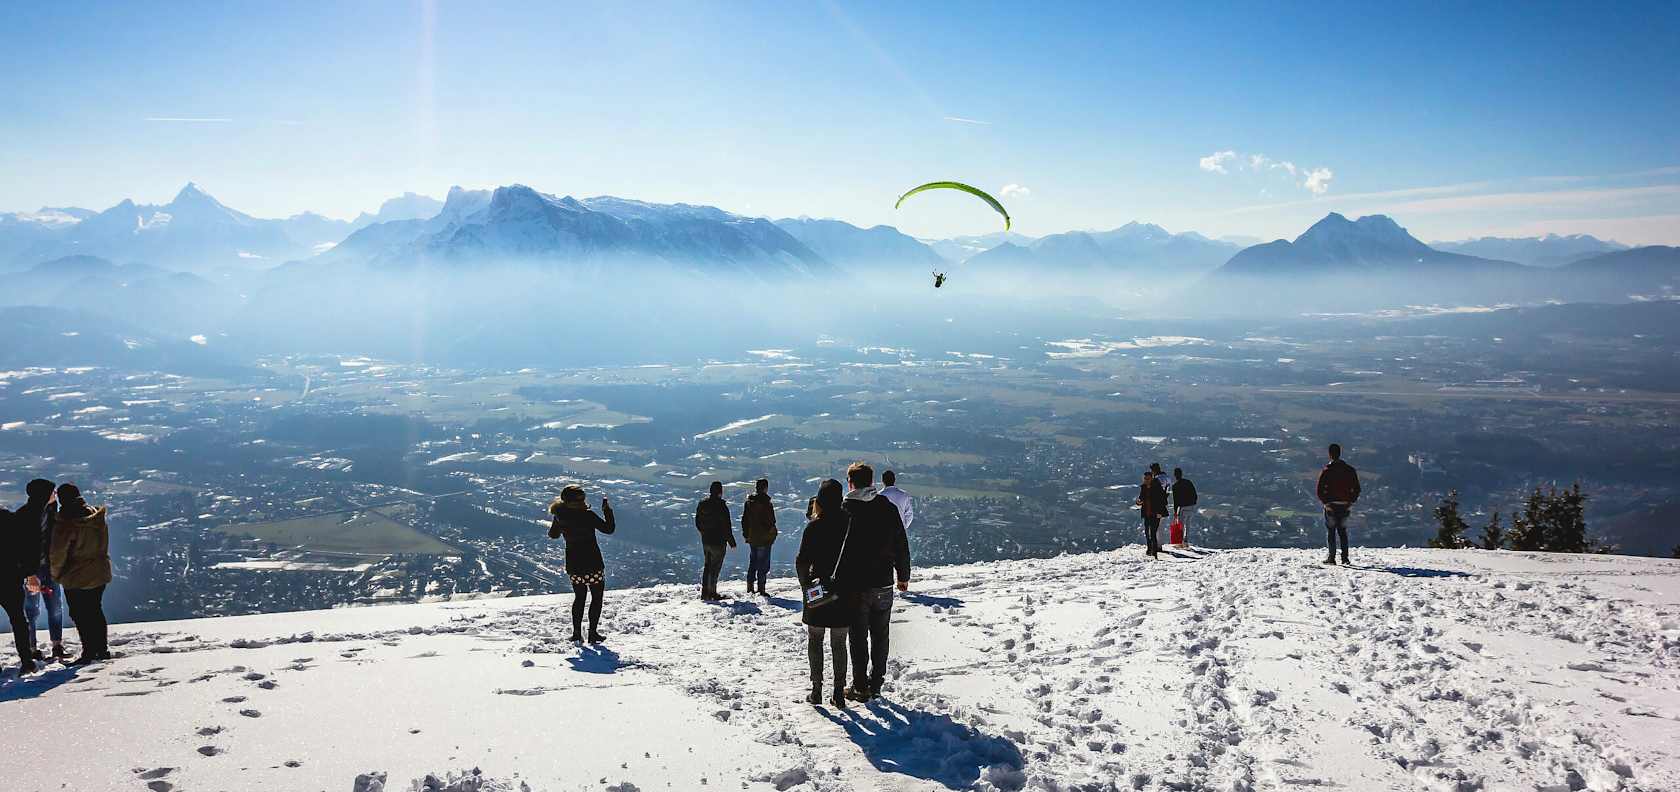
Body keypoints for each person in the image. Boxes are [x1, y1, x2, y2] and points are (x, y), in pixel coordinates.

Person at [841, 462, 910, 702]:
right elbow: (901, 543)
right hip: (883, 582)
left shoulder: (846, 509)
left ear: (850, 483)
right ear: (872, 482)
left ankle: (859, 684)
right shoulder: (886, 507)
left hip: (855, 585)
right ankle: (877, 682)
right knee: (881, 635)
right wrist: (903, 575)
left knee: (857, 636)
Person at [796, 479, 858, 708]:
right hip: (845, 592)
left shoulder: (814, 526)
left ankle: (816, 689)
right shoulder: (851, 524)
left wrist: (806, 587)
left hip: (818, 592)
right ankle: (839, 692)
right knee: (839, 643)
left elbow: (802, 561)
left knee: (815, 639)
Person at [49, 483, 112, 665]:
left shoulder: (66, 522)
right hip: (100, 570)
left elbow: (57, 553)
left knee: (79, 613)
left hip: (76, 574)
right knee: (95, 610)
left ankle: (89, 651)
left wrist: (57, 574)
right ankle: (101, 649)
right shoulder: (95, 516)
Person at [548, 484, 615, 643]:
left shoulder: (559, 515)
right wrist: (607, 510)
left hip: (574, 563)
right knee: (596, 597)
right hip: (592, 562)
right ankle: (593, 633)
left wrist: (560, 523)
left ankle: (577, 634)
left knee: (579, 598)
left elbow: (553, 535)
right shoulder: (588, 515)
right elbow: (609, 529)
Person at [1, 504, 38, 675]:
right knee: (18, 619)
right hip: (10, 578)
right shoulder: (10, 518)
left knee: (18, 619)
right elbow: (23, 549)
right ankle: (27, 659)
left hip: (10, 577)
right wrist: (29, 573)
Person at [1316, 443, 1362, 566]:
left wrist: (1326, 503)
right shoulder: (1349, 470)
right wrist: (1351, 501)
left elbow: (1319, 489)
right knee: (1343, 531)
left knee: (1331, 532)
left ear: (1330, 454)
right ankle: (1345, 558)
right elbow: (1357, 488)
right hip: (1345, 505)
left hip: (1331, 505)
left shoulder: (1327, 470)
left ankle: (1331, 557)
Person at [694, 481, 735, 601]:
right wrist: (731, 541)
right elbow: (727, 526)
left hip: (706, 541)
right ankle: (712, 593)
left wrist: (703, 533)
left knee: (707, 566)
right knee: (715, 567)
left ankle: (705, 592)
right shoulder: (721, 506)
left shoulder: (702, 504)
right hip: (718, 542)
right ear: (720, 492)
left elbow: (698, 522)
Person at [740, 478, 777, 596]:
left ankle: (750, 587)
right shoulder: (766, 503)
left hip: (752, 538)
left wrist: (746, 534)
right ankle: (761, 589)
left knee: (753, 562)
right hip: (764, 538)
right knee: (763, 564)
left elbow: (744, 520)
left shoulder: (749, 502)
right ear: (765, 488)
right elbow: (771, 521)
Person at [1136, 471, 1168, 558]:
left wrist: (1160, 513)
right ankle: (1149, 548)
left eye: (1148, 479)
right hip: (1146, 513)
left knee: (1153, 532)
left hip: (1155, 513)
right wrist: (1138, 502)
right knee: (1147, 532)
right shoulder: (1143, 488)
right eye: (1145, 479)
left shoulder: (1157, 488)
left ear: (1152, 478)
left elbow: (1163, 501)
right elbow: (1141, 498)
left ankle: (1154, 552)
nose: (1146, 480)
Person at [1170, 468, 1198, 549]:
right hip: (1191, 506)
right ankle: (1186, 541)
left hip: (1182, 507)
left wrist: (1175, 511)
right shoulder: (1188, 482)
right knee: (1188, 524)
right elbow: (1194, 493)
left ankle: (1180, 542)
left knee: (1181, 525)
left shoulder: (1175, 486)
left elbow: (1176, 501)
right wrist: (1194, 502)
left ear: (1175, 475)